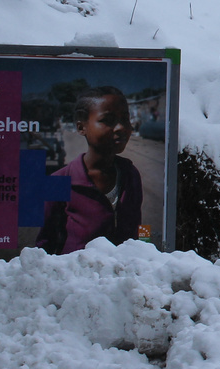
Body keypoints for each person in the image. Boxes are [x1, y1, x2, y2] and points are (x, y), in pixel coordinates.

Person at [37, 86, 143, 254]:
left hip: (122, 276)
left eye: (125, 119)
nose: (121, 128)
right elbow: (45, 243)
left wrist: (147, 253)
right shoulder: (59, 180)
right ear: (81, 127)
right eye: (107, 120)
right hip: (79, 277)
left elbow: (141, 227)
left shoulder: (130, 175)